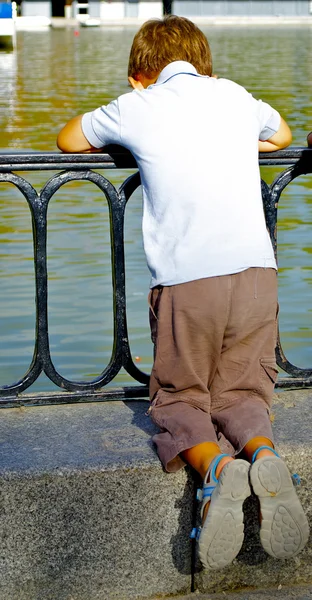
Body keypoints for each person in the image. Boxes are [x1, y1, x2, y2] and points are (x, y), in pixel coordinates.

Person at [57, 15, 309, 570]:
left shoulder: (138, 105)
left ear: (141, 72)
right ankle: (263, 454)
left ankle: (218, 471)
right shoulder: (236, 97)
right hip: (255, 272)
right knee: (245, 388)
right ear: (203, 62)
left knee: (180, 396)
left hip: (188, 279)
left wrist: (131, 114)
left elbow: (68, 139)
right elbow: (284, 135)